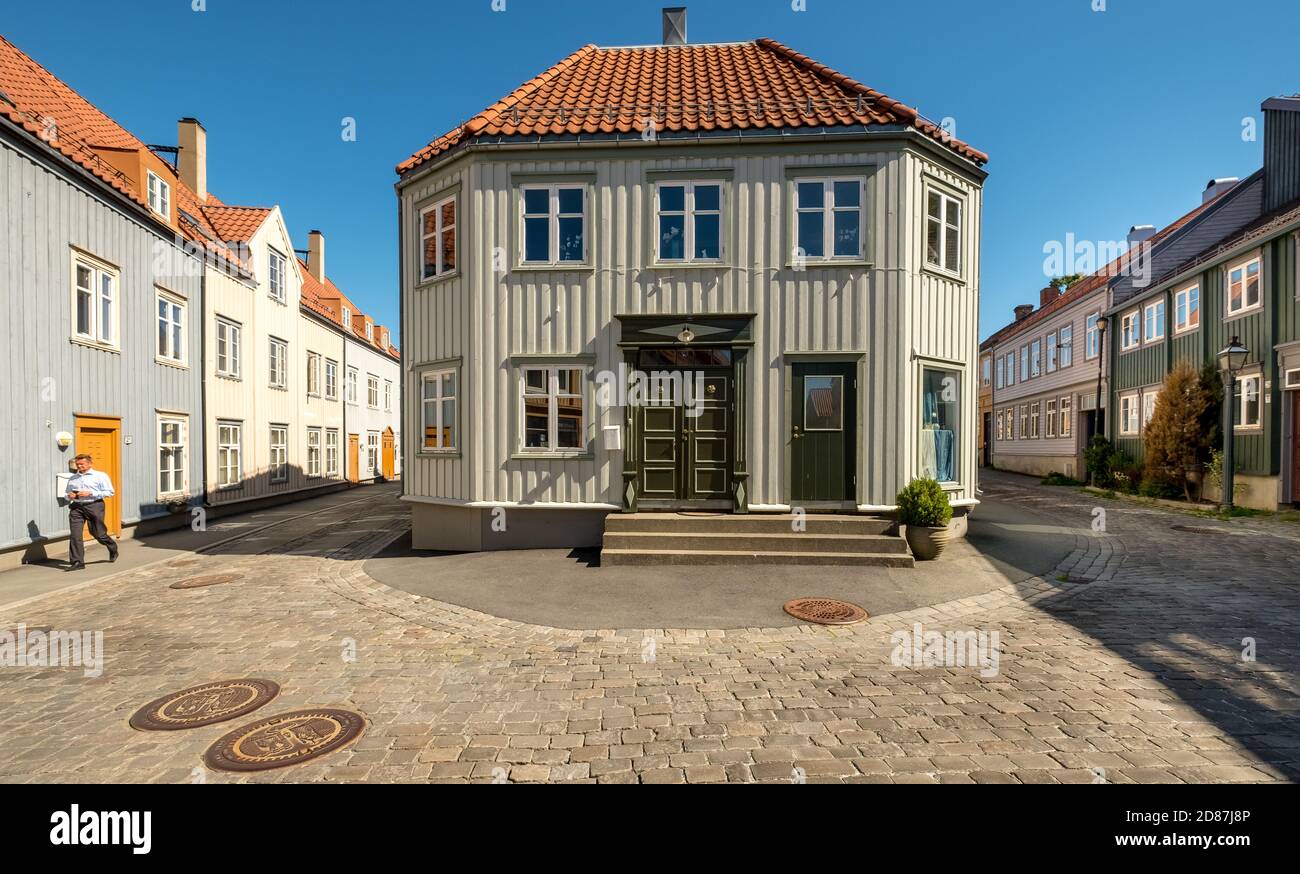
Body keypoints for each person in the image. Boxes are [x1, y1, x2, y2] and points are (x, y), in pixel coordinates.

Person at [65, 453, 118, 571]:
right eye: (77, 464)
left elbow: (110, 492)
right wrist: (69, 496)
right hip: (77, 507)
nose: (79, 466)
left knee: (98, 534)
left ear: (89, 463)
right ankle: (78, 562)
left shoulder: (100, 476)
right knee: (75, 535)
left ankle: (112, 547)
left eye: (82, 464)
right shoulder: (73, 478)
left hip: (94, 505)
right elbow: (67, 495)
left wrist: (91, 493)